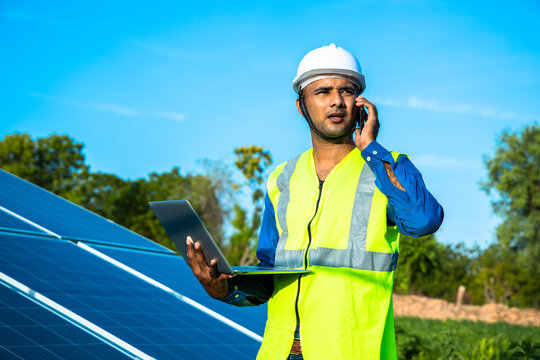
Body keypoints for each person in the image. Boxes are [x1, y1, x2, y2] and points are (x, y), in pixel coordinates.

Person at [185, 44, 444, 360]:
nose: (336, 100)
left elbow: (422, 221)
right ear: (301, 106)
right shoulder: (283, 178)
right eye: (323, 92)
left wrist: (373, 149)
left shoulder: (386, 168)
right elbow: (269, 273)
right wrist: (223, 289)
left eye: (347, 91)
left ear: (360, 105)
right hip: (281, 353)